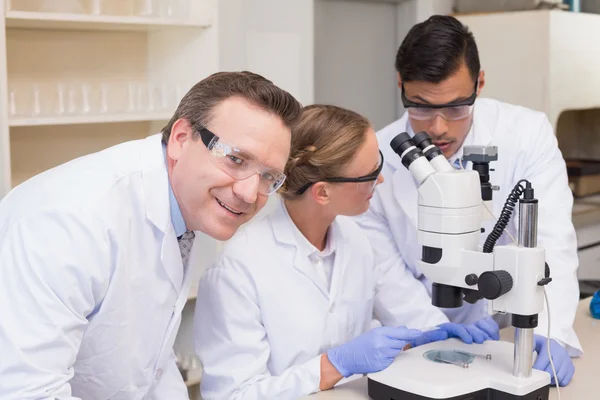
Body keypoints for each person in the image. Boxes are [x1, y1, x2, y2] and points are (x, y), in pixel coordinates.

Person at [0, 71, 301, 399]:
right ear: (181, 139)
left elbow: (151, 363)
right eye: (235, 159)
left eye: (268, 177)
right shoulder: (73, 220)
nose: (248, 192)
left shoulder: (186, 207)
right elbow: (26, 392)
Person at [193, 104, 500, 400]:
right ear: (323, 192)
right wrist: (333, 365)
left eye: (378, 165)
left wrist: (434, 335)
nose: (380, 180)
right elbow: (233, 395)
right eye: (369, 174)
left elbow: (397, 311)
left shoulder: (357, 239)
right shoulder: (237, 271)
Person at [354, 15, 581, 387]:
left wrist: (549, 331)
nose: (439, 127)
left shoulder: (526, 134)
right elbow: (383, 269)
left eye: (457, 107)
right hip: (419, 334)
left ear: (480, 83)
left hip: (502, 331)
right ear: (401, 86)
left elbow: (552, 240)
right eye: (422, 107)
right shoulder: (375, 155)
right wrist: (433, 329)